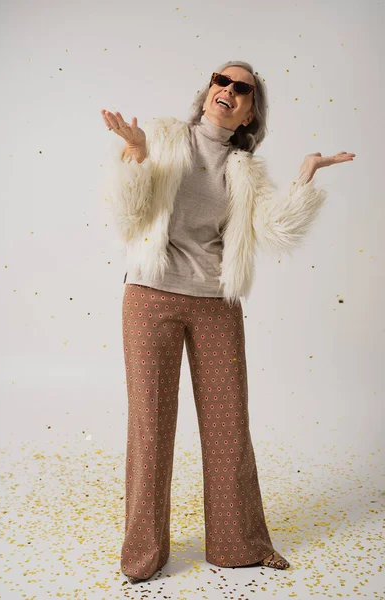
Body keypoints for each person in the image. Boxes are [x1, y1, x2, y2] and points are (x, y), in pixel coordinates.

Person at [101, 61, 355, 584]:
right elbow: (129, 214)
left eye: (243, 89)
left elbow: (276, 229)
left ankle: (238, 544)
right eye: (222, 81)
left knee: (228, 425)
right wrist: (136, 155)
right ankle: (143, 554)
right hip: (150, 296)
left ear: (249, 114)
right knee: (150, 427)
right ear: (207, 92)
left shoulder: (244, 170)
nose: (229, 90)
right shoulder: (164, 139)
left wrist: (305, 174)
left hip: (215, 301)